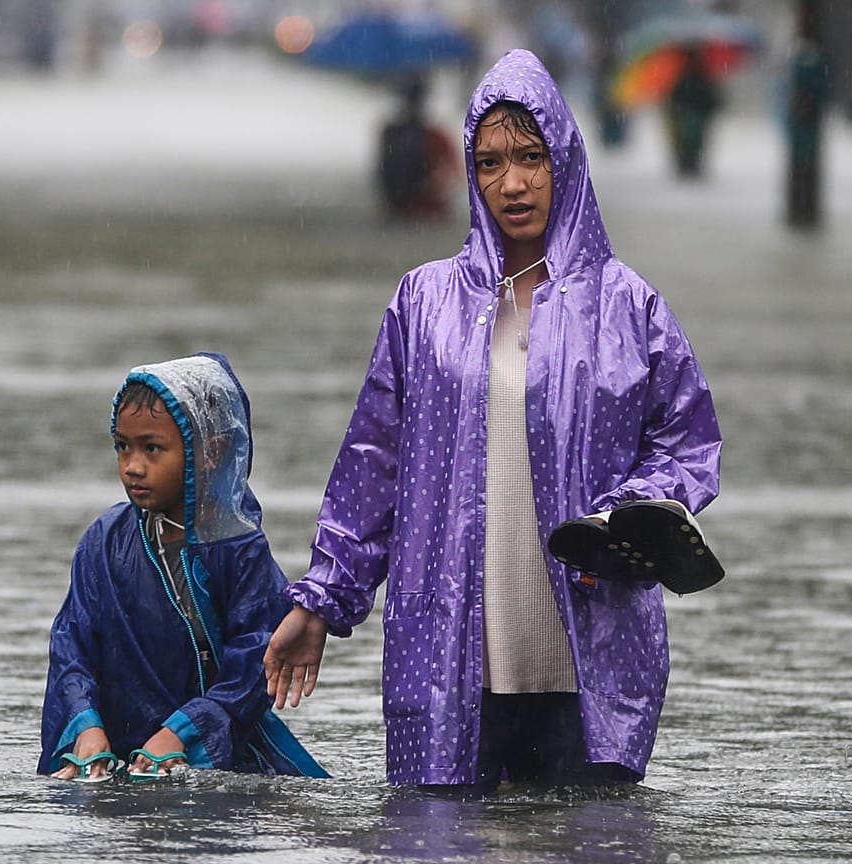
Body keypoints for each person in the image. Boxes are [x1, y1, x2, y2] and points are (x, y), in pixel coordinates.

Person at [265, 50, 721, 792]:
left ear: (564, 160)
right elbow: (373, 465)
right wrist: (321, 600)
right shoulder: (423, 303)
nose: (512, 183)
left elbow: (688, 442)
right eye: (490, 162)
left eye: (531, 157)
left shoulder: (628, 306)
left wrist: (627, 514)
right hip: (446, 659)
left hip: (590, 662)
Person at [38, 353, 328, 781]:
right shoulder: (103, 540)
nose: (132, 466)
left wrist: (182, 733)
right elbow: (72, 647)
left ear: (209, 452)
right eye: (122, 446)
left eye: (152, 448)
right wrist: (86, 725)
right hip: (110, 755)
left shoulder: (240, 550)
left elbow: (254, 664)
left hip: (213, 753)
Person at [377, 74, 461, 222]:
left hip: (398, 211)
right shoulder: (435, 135)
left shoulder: (389, 133)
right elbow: (452, 174)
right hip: (425, 213)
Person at [664, 49, 723, 179]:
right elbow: (710, 96)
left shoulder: (678, 73)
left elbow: (675, 97)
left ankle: (686, 164)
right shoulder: (703, 73)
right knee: (696, 143)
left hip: (687, 114)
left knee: (686, 142)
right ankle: (691, 164)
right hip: (697, 114)